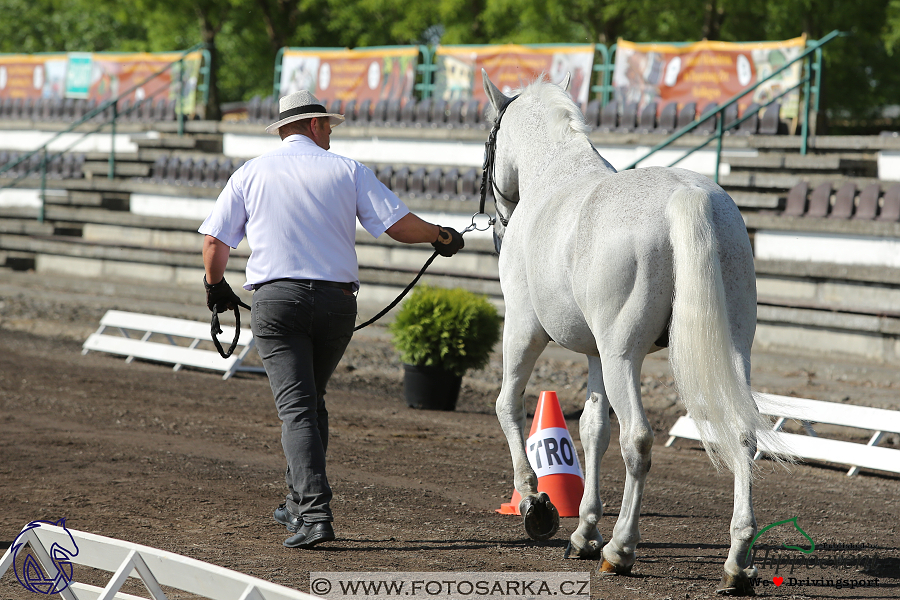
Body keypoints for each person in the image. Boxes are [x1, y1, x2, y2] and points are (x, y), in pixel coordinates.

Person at [198, 90, 464, 549]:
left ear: (284, 129)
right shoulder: (347, 169)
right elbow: (397, 225)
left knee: (298, 407)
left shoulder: (250, 173)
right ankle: (297, 502)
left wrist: (214, 285)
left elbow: (214, 244)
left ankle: (315, 513)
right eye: (329, 126)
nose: (330, 133)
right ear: (316, 125)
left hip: (278, 302)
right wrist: (440, 235)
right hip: (338, 303)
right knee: (310, 401)